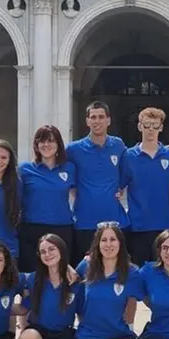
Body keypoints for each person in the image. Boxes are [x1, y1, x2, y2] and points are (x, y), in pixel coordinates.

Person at [70, 222, 143, 339]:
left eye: (113, 239)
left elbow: (136, 298)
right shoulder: (85, 267)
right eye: (104, 240)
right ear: (97, 243)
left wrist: (130, 324)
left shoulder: (131, 272)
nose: (108, 244)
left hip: (117, 336)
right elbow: (75, 298)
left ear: (120, 243)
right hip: (89, 336)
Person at [15, 234, 84, 339]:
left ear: (62, 250)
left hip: (63, 336)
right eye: (43, 251)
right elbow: (23, 308)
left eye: (52, 249)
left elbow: (83, 314)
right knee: (27, 337)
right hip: (38, 333)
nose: (48, 254)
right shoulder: (33, 279)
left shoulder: (75, 281)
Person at [66, 101, 128, 266]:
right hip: (84, 221)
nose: (97, 121)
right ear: (87, 121)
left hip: (114, 221)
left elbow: (131, 167)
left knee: (115, 268)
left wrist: (121, 188)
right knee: (85, 270)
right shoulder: (73, 149)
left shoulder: (118, 145)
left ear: (108, 120)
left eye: (101, 117)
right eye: (93, 117)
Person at [120, 107, 169, 266]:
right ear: (139, 126)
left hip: (164, 226)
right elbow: (118, 189)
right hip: (137, 226)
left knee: (164, 270)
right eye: (147, 125)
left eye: (155, 126)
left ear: (161, 127)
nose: (150, 130)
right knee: (138, 272)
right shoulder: (128, 156)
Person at [18, 126, 75, 274]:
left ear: (58, 145)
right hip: (32, 229)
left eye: (51, 141)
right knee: (33, 277)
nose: (46, 145)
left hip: (62, 228)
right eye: (41, 141)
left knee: (60, 276)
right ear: (36, 145)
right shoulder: (25, 169)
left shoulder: (69, 168)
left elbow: (79, 193)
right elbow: (11, 195)